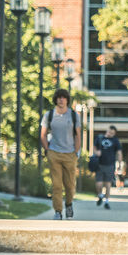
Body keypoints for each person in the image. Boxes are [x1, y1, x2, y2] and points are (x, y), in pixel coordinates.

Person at [40, 88, 82, 220]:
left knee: (70, 185)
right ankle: (58, 211)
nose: (61, 100)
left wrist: (76, 152)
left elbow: (78, 136)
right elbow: (43, 134)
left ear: (67, 100)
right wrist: (47, 150)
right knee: (57, 185)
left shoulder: (74, 115)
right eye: (59, 97)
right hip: (54, 153)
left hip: (70, 154)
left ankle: (68, 204)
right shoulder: (49, 115)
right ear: (56, 100)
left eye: (64, 97)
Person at [94, 125, 122, 209]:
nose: (110, 134)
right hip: (99, 164)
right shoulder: (100, 138)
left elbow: (119, 152)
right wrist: (96, 152)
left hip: (110, 165)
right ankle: (100, 195)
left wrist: (120, 164)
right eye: (110, 132)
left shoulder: (115, 140)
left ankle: (106, 201)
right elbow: (94, 147)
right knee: (98, 184)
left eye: (112, 133)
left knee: (108, 184)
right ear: (107, 130)